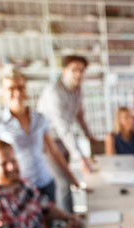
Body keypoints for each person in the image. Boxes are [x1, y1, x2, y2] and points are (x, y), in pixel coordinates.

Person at [0, 66, 81, 203]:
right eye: (11, 88)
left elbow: (54, 151)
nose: (17, 92)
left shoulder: (39, 118)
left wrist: (73, 179)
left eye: (21, 87)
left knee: (51, 221)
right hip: (19, 187)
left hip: (45, 182)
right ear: (3, 92)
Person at [38, 54, 95, 213]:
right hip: (49, 142)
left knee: (68, 181)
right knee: (64, 182)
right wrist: (81, 158)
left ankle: (70, 216)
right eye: (74, 70)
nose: (78, 74)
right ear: (64, 71)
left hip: (64, 140)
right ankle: (68, 221)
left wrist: (89, 136)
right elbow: (63, 129)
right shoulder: (54, 92)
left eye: (82, 70)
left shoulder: (78, 89)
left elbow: (79, 115)